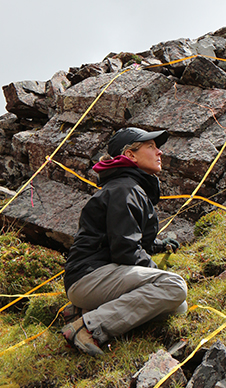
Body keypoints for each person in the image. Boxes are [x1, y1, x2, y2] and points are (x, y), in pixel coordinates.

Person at [62, 126, 188, 357]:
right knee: (173, 287)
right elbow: (125, 250)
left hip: (95, 276)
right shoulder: (124, 189)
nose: (159, 152)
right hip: (90, 275)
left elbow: (126, 239)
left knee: (178, 307)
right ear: (130, 155)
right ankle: (87, 327)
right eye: (151, 146)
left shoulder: (128, 187)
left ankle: (85, 310)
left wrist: (160, 245)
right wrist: (156, 275)